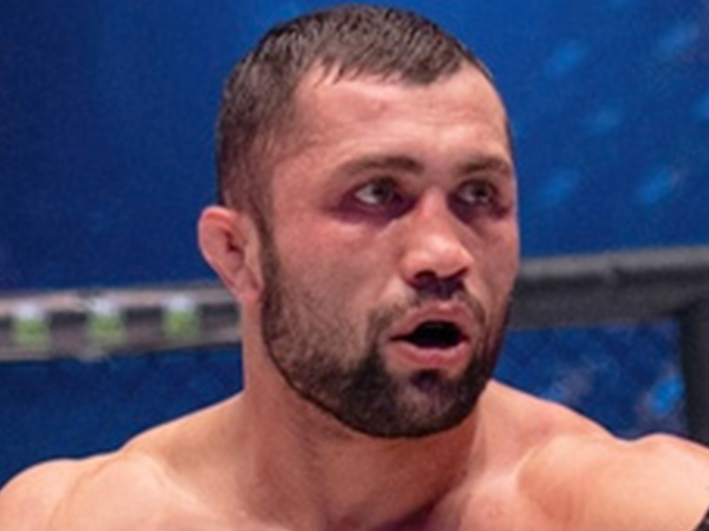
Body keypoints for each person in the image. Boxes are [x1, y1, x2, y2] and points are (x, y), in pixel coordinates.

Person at [1, 4, 708, 530]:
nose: (444, 252)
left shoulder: (652, 511)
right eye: (376, 195)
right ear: (237, 254)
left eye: (478, 195)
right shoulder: (72, 520)